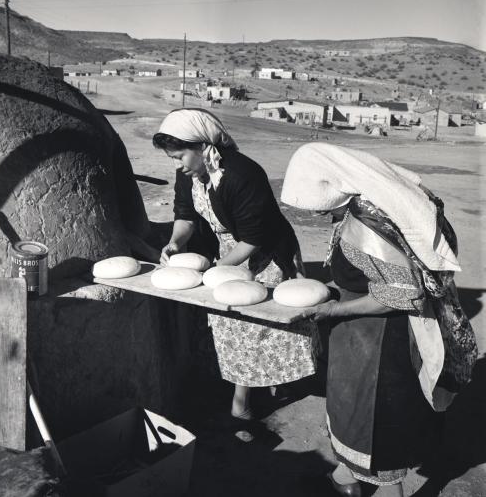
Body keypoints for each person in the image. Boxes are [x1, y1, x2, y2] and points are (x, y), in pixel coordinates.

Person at [281, 143, 477, 496]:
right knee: (351, 416)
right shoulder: (366, 205)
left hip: (380, 349)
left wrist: (332, 309)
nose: (315, 215)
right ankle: (346, 481)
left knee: (377, 435)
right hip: (360, 341)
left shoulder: (364, 228)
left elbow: (404, 293)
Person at [152, 108, 319, 427]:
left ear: (202, 146)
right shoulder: (188, 174)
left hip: (266, 252)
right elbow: (185, 215)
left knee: (262, 323)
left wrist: (215, 270)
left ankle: (245, 401)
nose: (178, 165)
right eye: (173, 158)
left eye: (180, 156)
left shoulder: (242, 174)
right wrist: (175, 243)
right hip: (229, 250)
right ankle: (251, 388)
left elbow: (255, 237)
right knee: (234, 324)